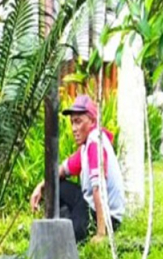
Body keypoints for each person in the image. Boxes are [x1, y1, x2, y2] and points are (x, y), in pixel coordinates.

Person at [30, 95, 125, 244]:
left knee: (67, 238)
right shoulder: (86, 146)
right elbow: (62, 170)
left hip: (107, 217)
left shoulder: (95, 142)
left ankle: (70, 229)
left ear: (92, 121)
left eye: (78, 122)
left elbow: (98, 189)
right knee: (55, 186)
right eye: (72, 122)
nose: (74, 129)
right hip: (90, 204)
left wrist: (101, 233)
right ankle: (64, 222)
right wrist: (40, 186)